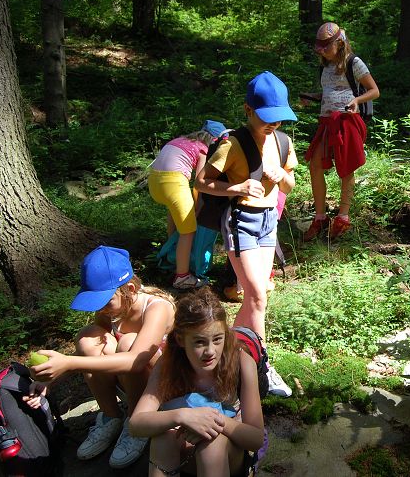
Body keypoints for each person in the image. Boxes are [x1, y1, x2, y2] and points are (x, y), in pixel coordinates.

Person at [26, 245, 175, 469]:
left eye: (106, 301)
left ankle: (137, 423)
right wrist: (51, 378)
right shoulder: (112, 310)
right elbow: (86, 354)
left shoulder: (156, 308)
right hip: (130, 380)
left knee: (127, 342)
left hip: (161, 383)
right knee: (88, 337)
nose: (102, 309)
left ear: (130, 289)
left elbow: (136, 360)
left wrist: (68, 363)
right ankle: (111, 416)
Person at [195, 71, 297, 397]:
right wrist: (236, 187)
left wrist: (281, 175)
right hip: (241, 221)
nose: (273, 124)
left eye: (278, 118)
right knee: (257, 296)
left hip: (269, 221)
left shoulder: (282, 142)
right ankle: (262, 365)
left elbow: (290, 185)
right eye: (266, 117)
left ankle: (226, 355)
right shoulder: (233, 144)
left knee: (256, 297)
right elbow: (201, 182)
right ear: (248, 110)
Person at [129, 288, 265, 477]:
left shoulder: (241, 362)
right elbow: (136, 423)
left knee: (212, 444)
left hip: (225, 456)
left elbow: (256, 439)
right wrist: (183, 416)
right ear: (181, 339)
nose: (210, 351)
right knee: (162, 439)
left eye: (217, 339)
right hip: (183, 452)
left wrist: (211, 422)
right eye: (200, 342)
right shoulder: (168, 365)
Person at [301, 21, 380, 241]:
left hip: (347, 121)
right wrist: (312, 97)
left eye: (326, 47)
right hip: (327, 122)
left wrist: (357, 100)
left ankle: (343, 218)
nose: (322, 51)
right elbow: (329, 93)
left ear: (339, 43)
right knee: (315, 164)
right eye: (320, 47)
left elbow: (374, 91)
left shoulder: (353, 63)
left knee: (346, 168)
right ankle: (320, 218)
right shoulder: (324, 67)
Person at [149, 120, 225, 289]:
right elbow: (199, 183)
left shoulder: (180, 140)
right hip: (172, 181)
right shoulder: (203, 149)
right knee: (189, 229)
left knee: (173, 211)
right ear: (214, 140)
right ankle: (182, 277)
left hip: (154, 182)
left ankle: (172, 252)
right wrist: (198, 207)